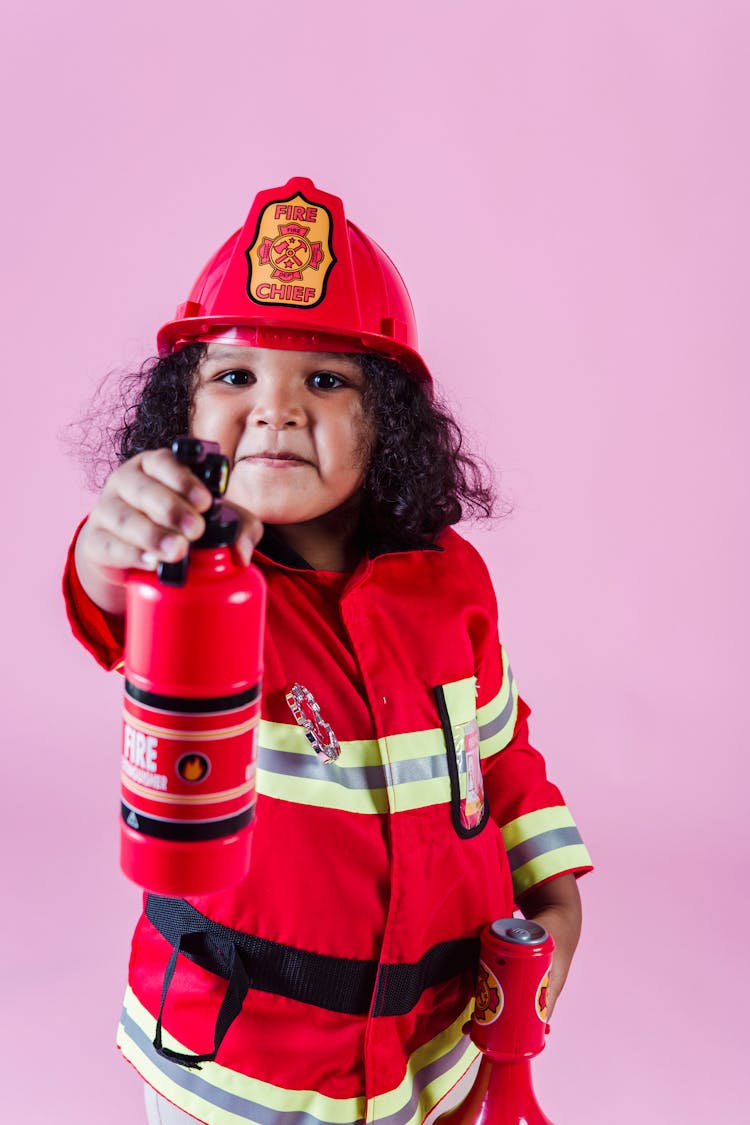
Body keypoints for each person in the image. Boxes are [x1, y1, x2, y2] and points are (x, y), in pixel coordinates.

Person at [64, 177, 592, 1125]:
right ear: (176, 416)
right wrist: (114, 546)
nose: (276, 410)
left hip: (437, 1047)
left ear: (386, 416)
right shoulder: (194, 584)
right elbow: (115, 597)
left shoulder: (453, 582)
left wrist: (553, 892)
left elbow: (502, 755)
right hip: (239, 1066)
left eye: (325, 379)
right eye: (234, 376)